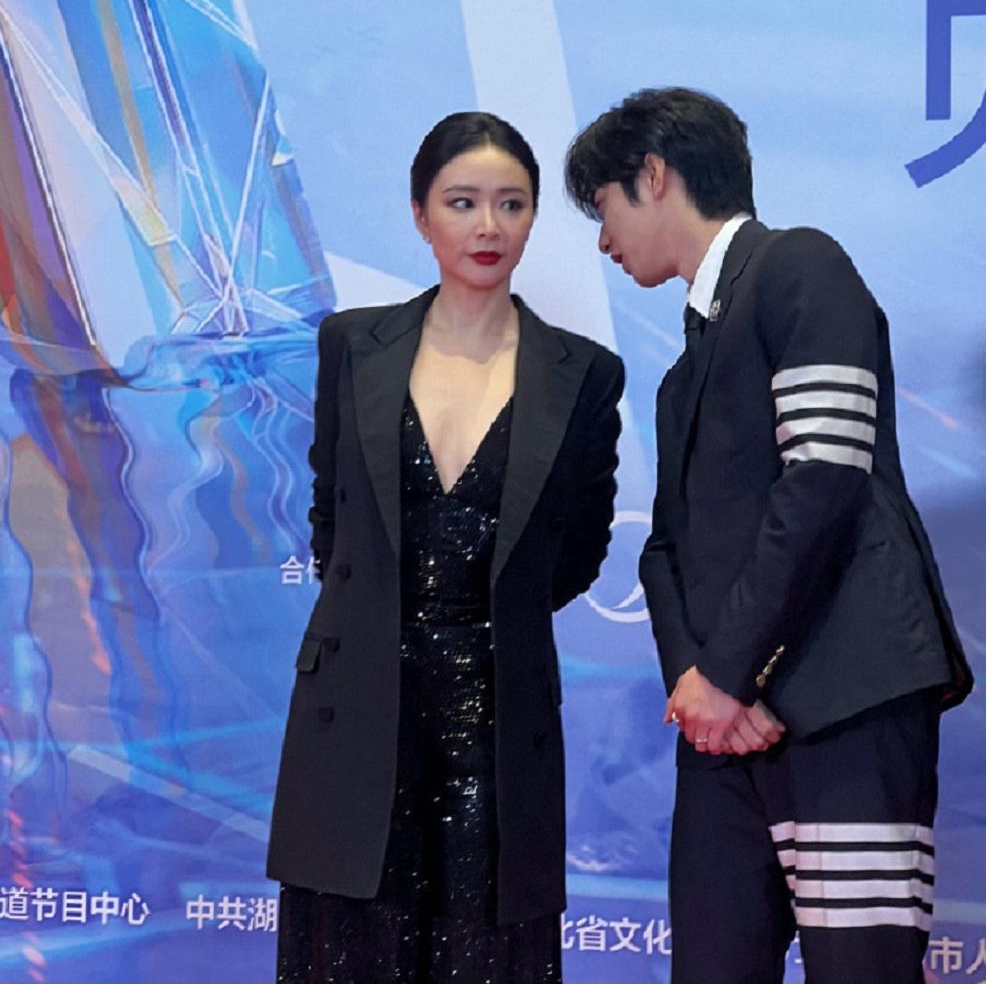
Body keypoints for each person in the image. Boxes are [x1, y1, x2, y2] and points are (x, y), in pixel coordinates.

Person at [564, 87, 972, 984]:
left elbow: (825, 475)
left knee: (861, 971)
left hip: (846, 703)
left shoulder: (801, 265)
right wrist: (700, 688)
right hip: (724, 735)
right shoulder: (679, 378)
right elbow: (663, 552)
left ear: (654, 175)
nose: (603, 241)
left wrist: (727, 674)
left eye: (602, 207)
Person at [268, 111, 624, 983]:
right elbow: (332, 518)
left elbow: (579, 546)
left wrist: (484, 617)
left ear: (533, 219)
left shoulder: (582, 373)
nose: (488, 225)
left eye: (512, 203)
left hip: (499, 723)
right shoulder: (352, 345)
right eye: (463, 202)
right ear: (421, 215)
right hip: (356, 710)